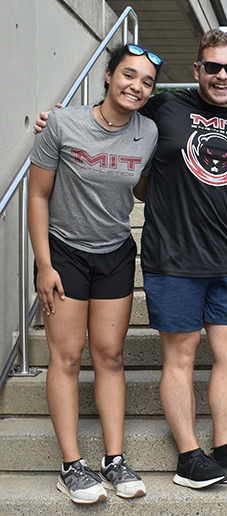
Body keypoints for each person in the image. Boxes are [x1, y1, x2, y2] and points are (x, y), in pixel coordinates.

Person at [36, 30, 227, 490]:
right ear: (197, 70)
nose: (221, 75)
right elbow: (112, 111)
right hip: (171, 257)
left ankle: (225, 449)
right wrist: (55, 123)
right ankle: (189, 458)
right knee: (180, 356)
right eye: (212, 66)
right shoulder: (163, 106)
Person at [29, 44, 162, 504]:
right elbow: (38, 196)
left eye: (146, 82)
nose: (136, 87)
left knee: (110, 355)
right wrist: (44, 265)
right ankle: (71, 466)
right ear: (107, 76)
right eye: (129, 75)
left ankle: (114, 459)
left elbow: (145, 187)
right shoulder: (64, 124)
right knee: (66, 357)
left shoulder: (148, 132)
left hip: (115, 252)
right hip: (63, 253)